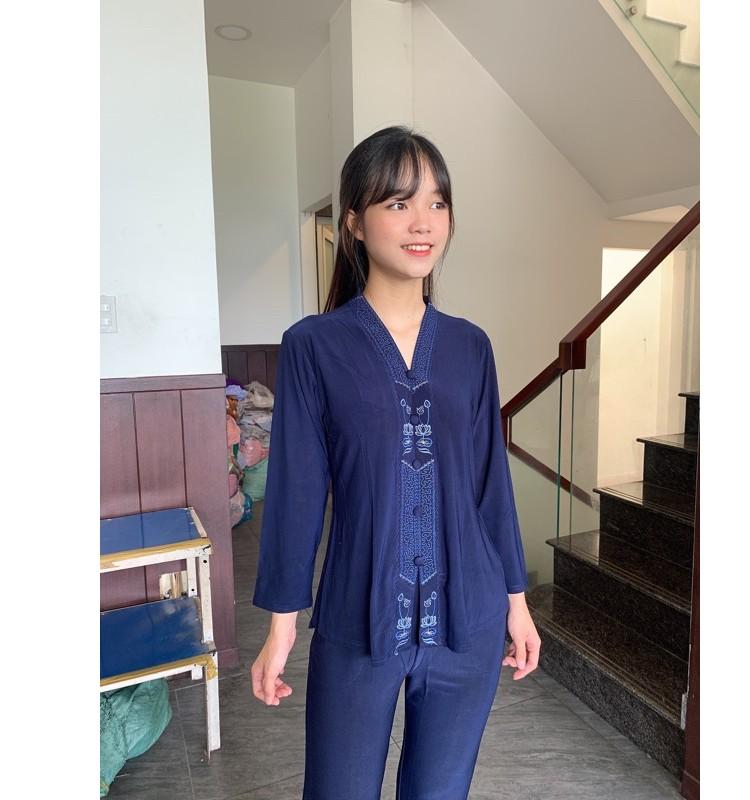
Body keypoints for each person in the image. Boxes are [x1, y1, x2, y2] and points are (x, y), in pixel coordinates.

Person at [250, 125, 541, 799]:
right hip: (357, 616)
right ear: (354, 222)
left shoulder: (471, 347)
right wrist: (282, 624)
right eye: (399, 203)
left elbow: (489, 486)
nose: (423, 222)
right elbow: (296, 493)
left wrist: (517, 604)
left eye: (437, 203)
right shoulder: (314, 346)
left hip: (469, 620)